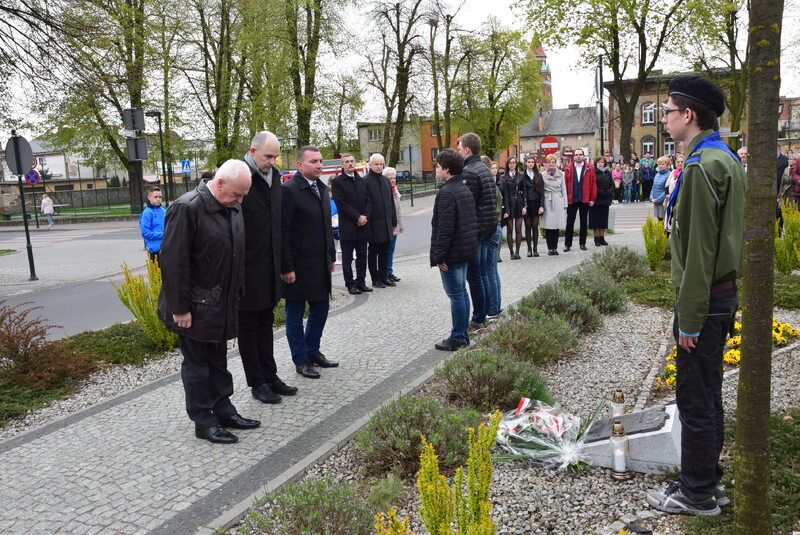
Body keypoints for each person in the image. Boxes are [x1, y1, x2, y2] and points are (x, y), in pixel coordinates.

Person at [646, 75, 745, 516]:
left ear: (688, 115)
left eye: (667, 110)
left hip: (706, 299)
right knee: (708, 392)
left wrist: (689, 318)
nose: (663, 118)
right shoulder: (718, 157)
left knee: (695, 397)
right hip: (719, 295)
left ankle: (698, 492)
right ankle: (707, 480)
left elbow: (701, 250)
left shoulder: (703, 165)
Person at [158, 159, 260, 444]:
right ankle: (203, 421)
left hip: (221, 303)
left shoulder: (232, 206)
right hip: (194, 306)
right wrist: (180, 309)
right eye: (237, 194)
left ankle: (224, 410)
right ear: (220, 183)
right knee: (197, 366)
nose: (240, 201)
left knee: (218, 361)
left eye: (243, 196)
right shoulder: (187, 208)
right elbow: (173, 263)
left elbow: (236, 256)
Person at [237, 132, 297, 406]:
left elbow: (280, 225)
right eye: (268, 156)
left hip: (270, 266)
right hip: (247, 268)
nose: (273, 162)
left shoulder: (273, 178)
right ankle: (257, 382)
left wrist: (284, 264)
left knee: (266, 323)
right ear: (252, 151)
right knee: (249, 327)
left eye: (275, 156)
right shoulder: (239, 176)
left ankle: (270, 375)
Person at [281, 146, 338, 380]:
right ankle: (300, 359)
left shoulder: (322, 188)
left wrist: (331, 255)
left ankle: (313, 351)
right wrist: (286, 266)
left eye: (321, 161)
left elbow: (327, 226)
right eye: (313, 161)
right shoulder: (289, 190)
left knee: (321, 308)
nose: (319, 165)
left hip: (320, 261)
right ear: (299, 165)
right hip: (297, 265)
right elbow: (282, 231)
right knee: (294, 314)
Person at [430, 149, 478, 351]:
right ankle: (462, 333)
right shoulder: (463, 188)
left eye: (438, 166)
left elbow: (445, 229)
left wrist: (439, 256)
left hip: (453, 254)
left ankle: (458, 337)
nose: (436, 170)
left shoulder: (447, 192)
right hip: (464, 250)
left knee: (456, 294)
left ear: (447, 169)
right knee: (461, 293)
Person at [457, 133, 497, 330]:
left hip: (478, 231)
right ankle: (485, 312)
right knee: (482, 274)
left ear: (467, 150)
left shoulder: (471, 171)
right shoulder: (483, 168)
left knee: (475, 276)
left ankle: (479, 317)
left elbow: (468, 206)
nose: (458, 152)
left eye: (459, 149)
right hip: (488, 228)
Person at [332, 153, 372, 294]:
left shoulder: (362, 181)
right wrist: (357, 217)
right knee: (347, 258)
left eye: (352, 161)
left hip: (363, 226)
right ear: (342, 164)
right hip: (348, 226)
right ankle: (350, 284)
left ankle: (361, 282)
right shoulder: (337, 182)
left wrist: (365, 216)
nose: (350, 164)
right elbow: (341, 204)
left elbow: (368, 201)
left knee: (362, 256)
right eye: (347, 162)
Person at [364, 154, 397, 289]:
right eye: (376, 164)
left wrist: (394, 220)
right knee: (373, 252)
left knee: (385, 251)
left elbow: (391, 202)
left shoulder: (385, 180)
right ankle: (375, 279)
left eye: (381, 164)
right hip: (373, 224)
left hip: (387, 222)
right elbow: (365, 203)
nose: (379, 166)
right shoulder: (365, 181)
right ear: (371, 165)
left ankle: (384, 277)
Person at [480, 155, 503, 319]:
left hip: (491, 229)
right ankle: (495, 306)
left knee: (489, 270)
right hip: (496, 228)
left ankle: (493, 308)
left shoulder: (489, 188)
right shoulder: (493, 186)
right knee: (492, 270)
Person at [562, 148, 596, 251]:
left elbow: (593, 184)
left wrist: (592, 199)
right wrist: (565, 200)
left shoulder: (589, 168)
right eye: (576, 155)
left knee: (583, 222)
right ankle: (567, 244)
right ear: (574, 156)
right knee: (570, 222)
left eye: (580, 154)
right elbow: (565, 185)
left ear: (583, 156)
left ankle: (582, 243)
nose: (578, 156)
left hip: (584, 199)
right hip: (572, 199)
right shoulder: (568, 168)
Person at [540, 155, 567, 255]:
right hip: (547, 200)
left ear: (556, 163)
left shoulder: (561, 174)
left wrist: (565, 203)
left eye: (553, 162)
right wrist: (541, 204)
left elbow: (564, 188)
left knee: (556, 225)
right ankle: (549, 248)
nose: (551, 164)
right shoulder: (542, 175)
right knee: (548, 225)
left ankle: (555, 248)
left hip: (558, 199)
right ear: (546, 163)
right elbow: (541, 190)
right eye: (549, 162)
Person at [519, 155, 544, 257]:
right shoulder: (522, 175)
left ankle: (535, 248)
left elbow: (542, 192)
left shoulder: (539, 175)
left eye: (532, 162)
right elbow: (520, 191)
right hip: (526, 203)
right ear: (525, 163)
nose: (530, 164)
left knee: (535, 227)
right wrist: (523, 206)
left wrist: (541, 205)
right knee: (528, 226)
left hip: (536, 202)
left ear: (534, 164)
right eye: (529, 162)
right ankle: (529, 249)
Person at [383, 166, 404, 283]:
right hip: (388, 226)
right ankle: (386, 273)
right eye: (390, 178)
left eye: (394, 178)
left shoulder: (395, 190)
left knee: (391, 250)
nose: (392, 180)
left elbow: (399, 210)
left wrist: (401, 225)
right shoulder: (385, 192)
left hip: (394, 225)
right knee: (387, 250)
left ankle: (389, 272)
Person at [500, 156, 524, 259]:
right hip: (509, 204)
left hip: (519, 203)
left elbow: (524, 192)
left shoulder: (520, 176)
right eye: (510, 163)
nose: (512, 164)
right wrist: (506, 208)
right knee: (509, 229)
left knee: (518, 229)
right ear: (507, 165)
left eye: (514, 162)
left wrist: (524, 206)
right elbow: (504, 194)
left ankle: (518, 252)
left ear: (516, 164)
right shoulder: (503, 178)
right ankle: (511, 253)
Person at [589, 157, 612, 246]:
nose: (600, 164)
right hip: (596, 199)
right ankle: (596, 238)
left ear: (604, 163)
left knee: (603, 220)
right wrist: (601, 191)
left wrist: (609, 191)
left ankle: (602, 238)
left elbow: (611, 184)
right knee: (595, 220)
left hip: (605, 199)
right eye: (598, 162)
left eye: (602, 162)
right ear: (595, 163)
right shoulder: (593, 172)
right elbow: (592, 185)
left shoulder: (607, 173)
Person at [139, 187, 166, 262]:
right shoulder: (147, 213)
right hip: (155, 251)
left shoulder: (164, 211)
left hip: (166, 248)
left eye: (160, 197)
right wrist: (163, 234)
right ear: (149, 197)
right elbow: (145, 233)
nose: (158, 199)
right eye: (156, 197)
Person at [650, 156, 671, 221]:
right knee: (658, 218)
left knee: (663, 218)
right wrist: (651, 197)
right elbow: (653, 186)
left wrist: (658, 199)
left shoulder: (669, 175)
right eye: (659, 164)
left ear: (667, 165)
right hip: (655, 200)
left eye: (663, 164)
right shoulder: (657, 174)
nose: (660, 166)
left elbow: (666, 190)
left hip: (663, 201)